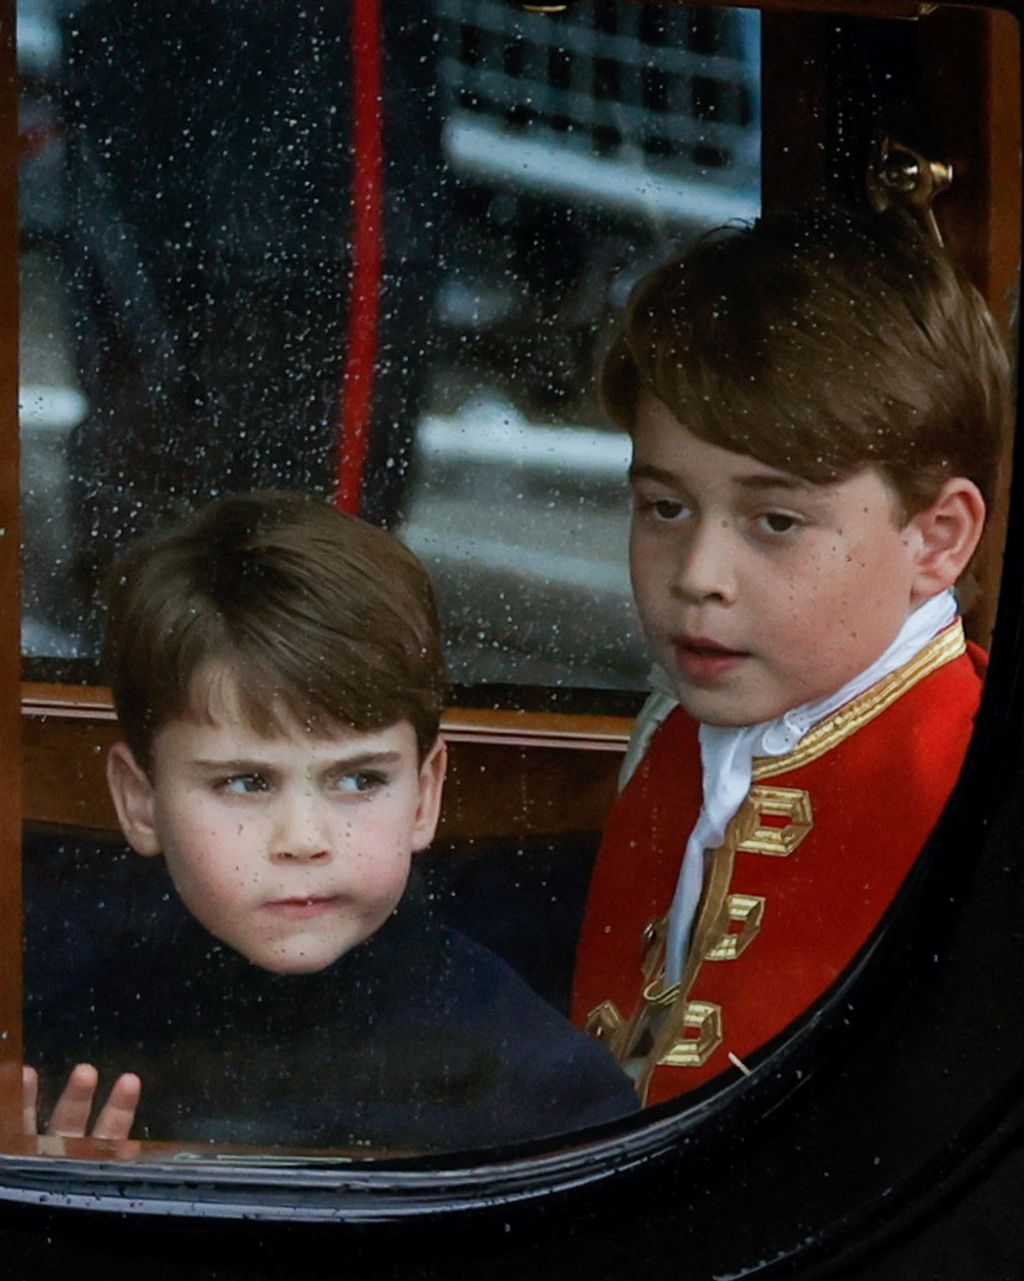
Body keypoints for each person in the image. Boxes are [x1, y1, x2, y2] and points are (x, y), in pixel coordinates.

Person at [25, 492, 638, 1151]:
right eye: (246, 781)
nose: (304, 840)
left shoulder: (544, 1089)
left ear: (425, 796)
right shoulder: (55, 1058)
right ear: (140, 800)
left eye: (358, 779)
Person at [571, 204, 1011, 1107]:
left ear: (938, 538)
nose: (699, 576)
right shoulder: (675, 732)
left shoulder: (985, 801)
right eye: (664, 508)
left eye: (776, 522)